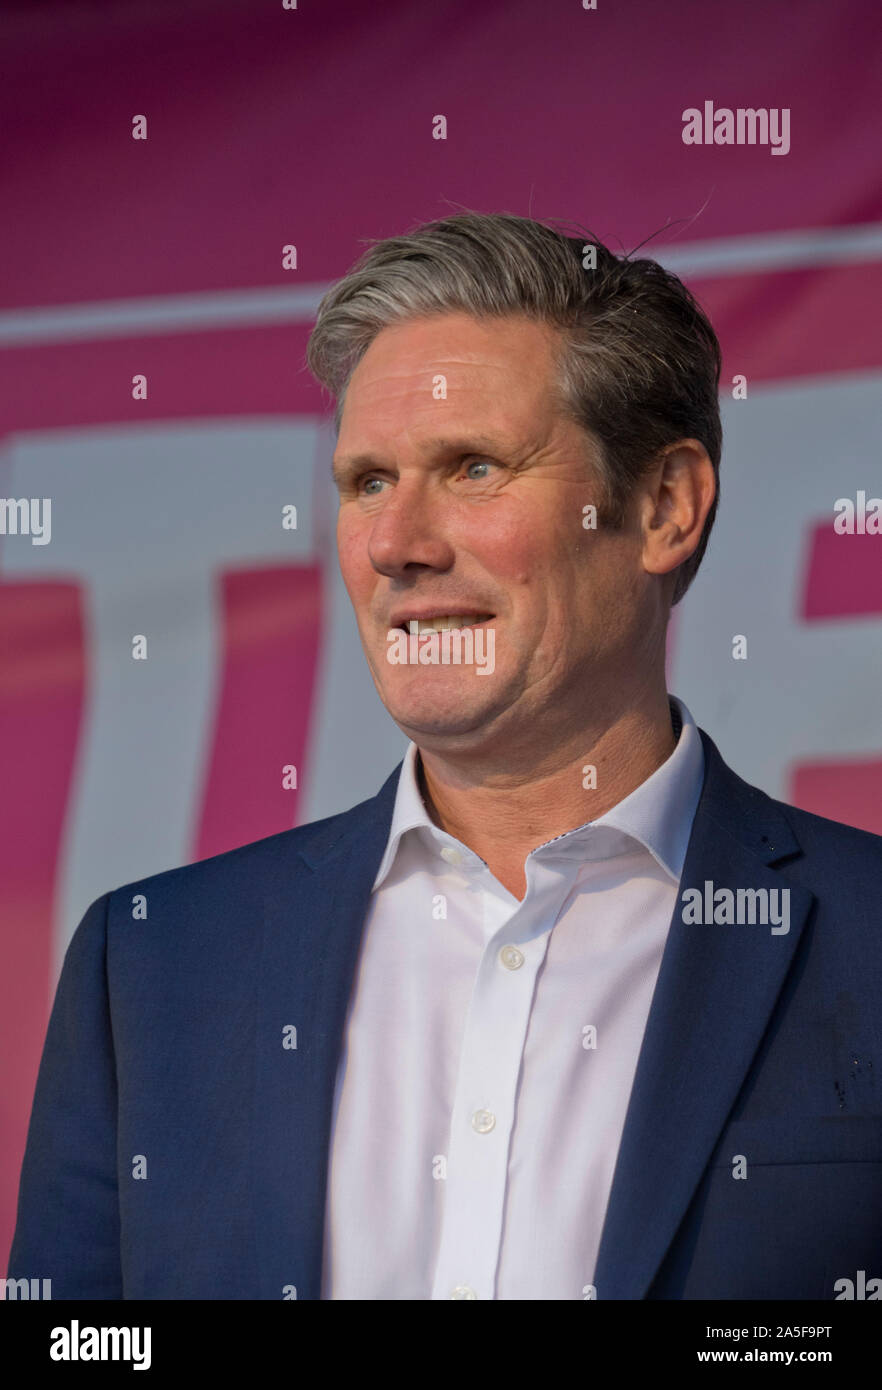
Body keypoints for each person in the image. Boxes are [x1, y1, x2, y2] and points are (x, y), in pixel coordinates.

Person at [9, 213, 882, 1300]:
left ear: (662, 507)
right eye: (367, 480)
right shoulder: (149, 971)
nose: (396, 542)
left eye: (471, 467)